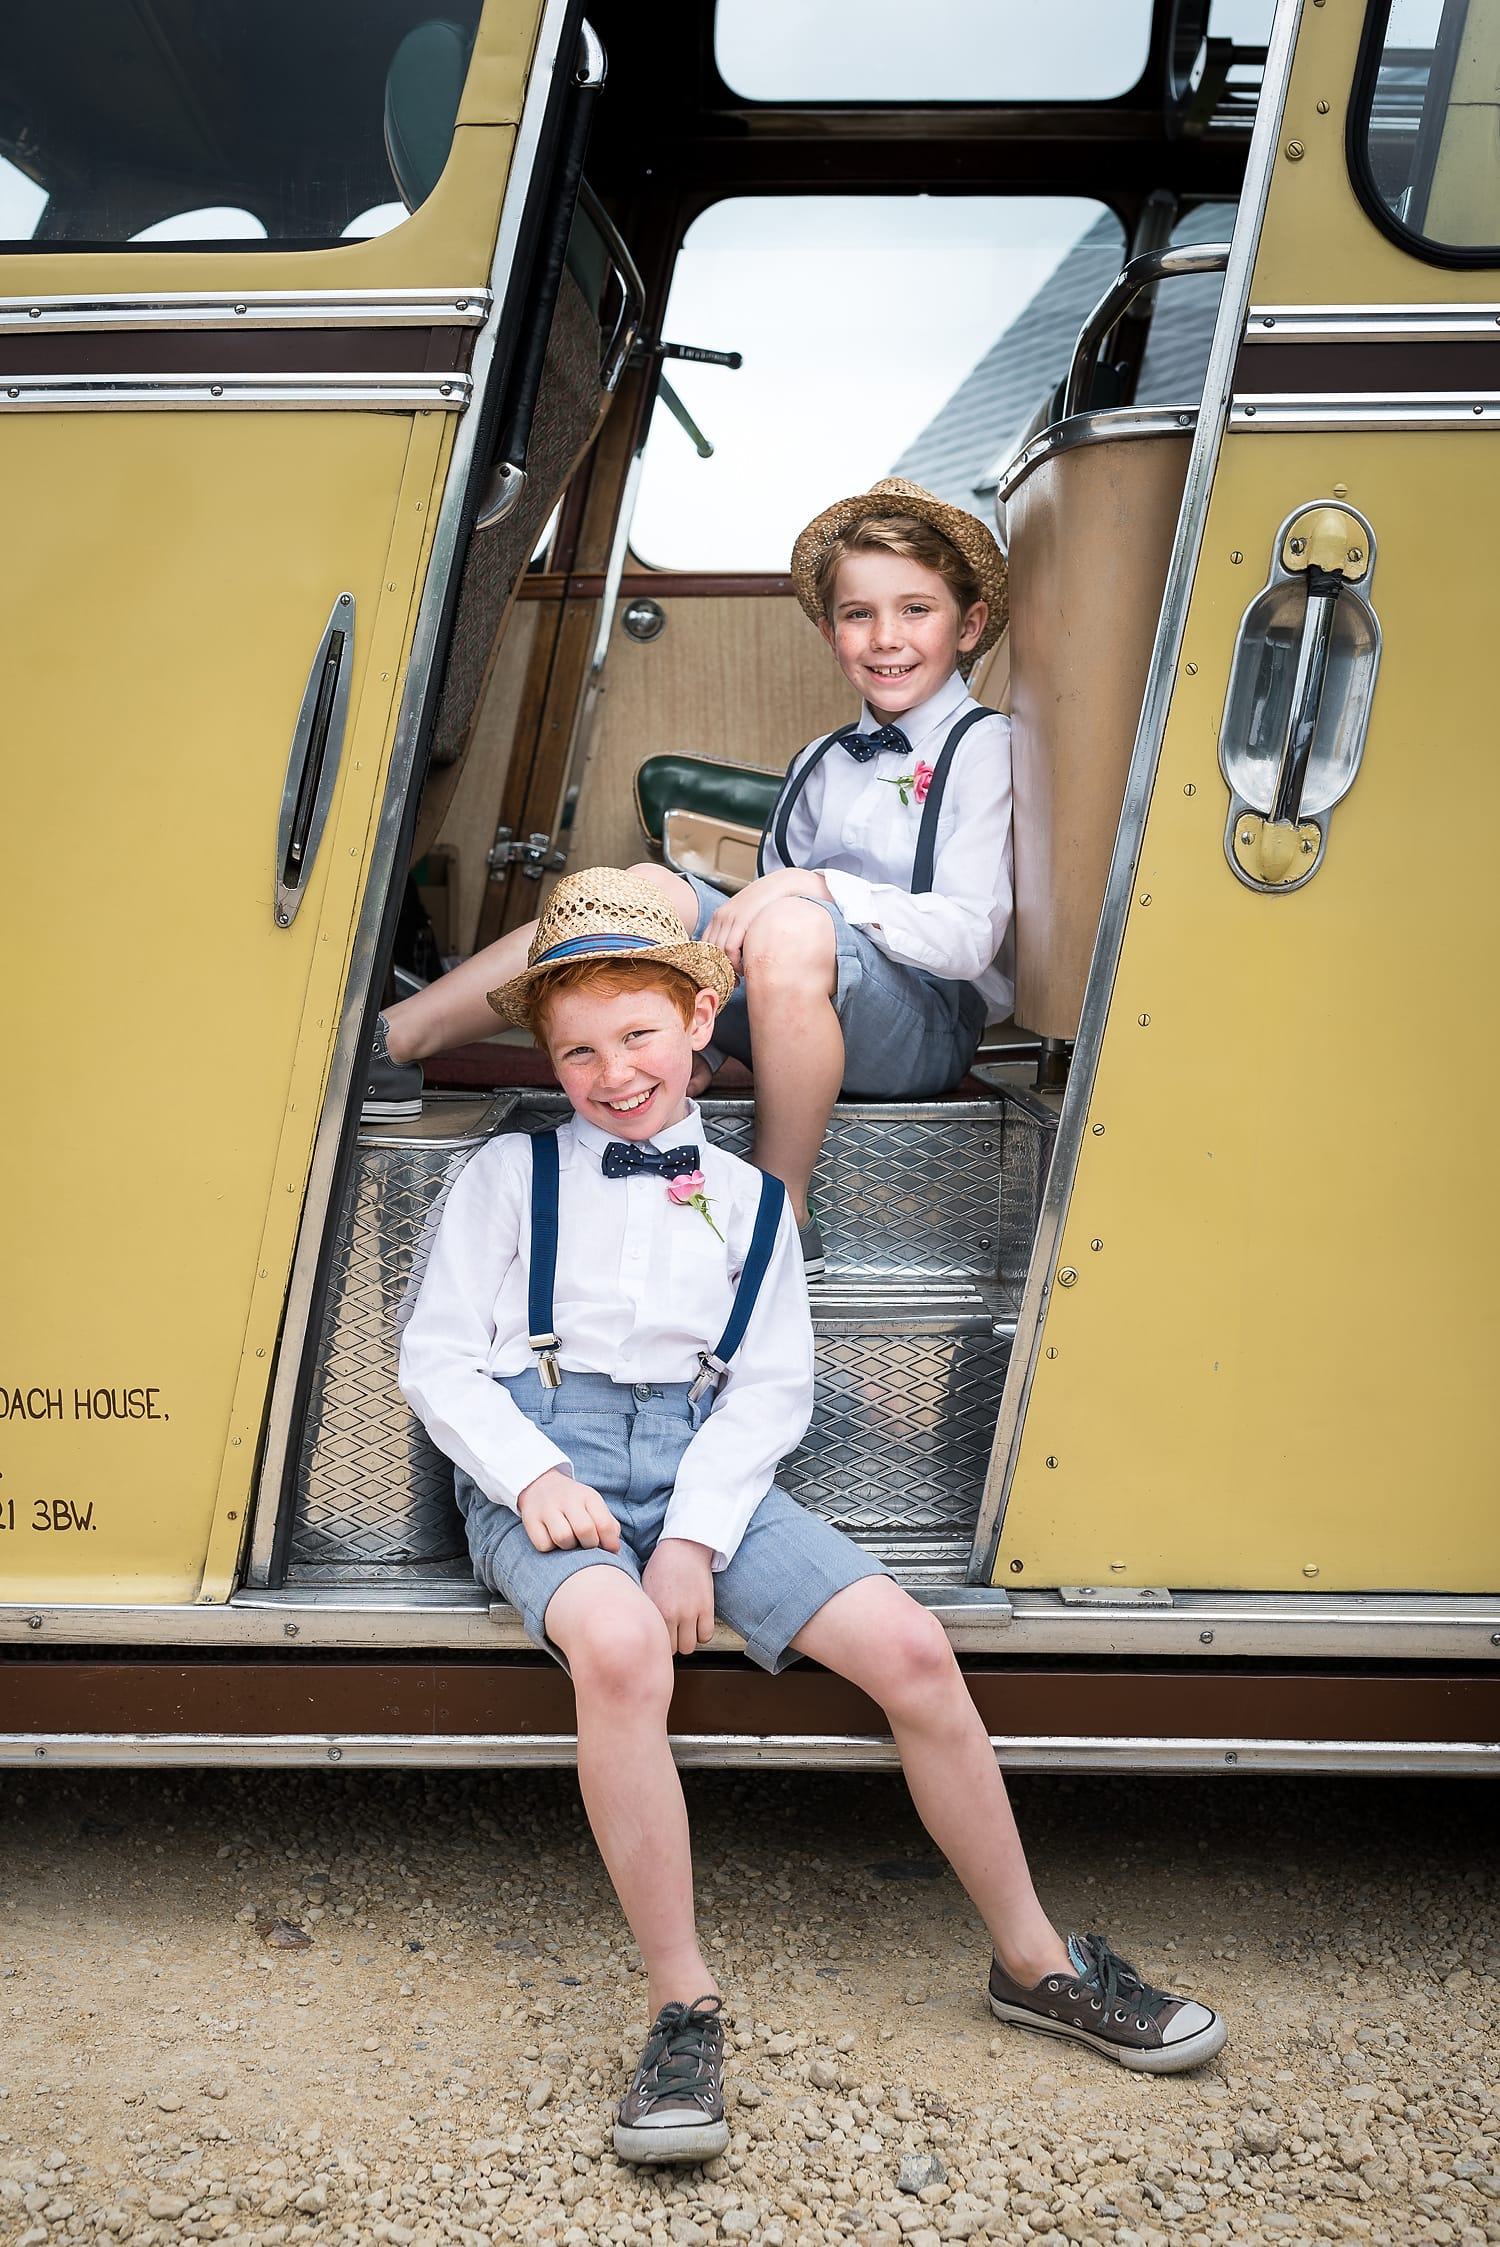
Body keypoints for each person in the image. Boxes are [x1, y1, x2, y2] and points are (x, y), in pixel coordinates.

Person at [398, 868, 1227, 2167]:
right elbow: (439, 1358)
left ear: (698, 1020)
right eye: (578, 1050)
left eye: (638, 1036)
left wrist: (694, 1536)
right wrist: (533, 1476)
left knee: (914, 1648)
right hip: (546, 1458)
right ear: (546, 1054)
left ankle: (1033, 1959)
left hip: (707, 1463)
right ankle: (682, 2006)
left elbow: (772, 1388)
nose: (614, 1074)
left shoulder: (749, 1199)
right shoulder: (510, 1172)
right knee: (621, 1648)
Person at [367, 478, 1016, 1276]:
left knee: (785, 917)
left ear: (969, 625)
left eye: (916, 610)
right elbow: (764, 945)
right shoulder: (821, 760)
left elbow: (968, 938)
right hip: (810, 991)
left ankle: (781, 1206)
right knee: (650, 886)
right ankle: (393, 1043)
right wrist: (715, 1033)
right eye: (859, 614)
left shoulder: (984, 746)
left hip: (924, 1026)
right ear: (829, 631)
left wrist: (816, 888)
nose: (886, 637)